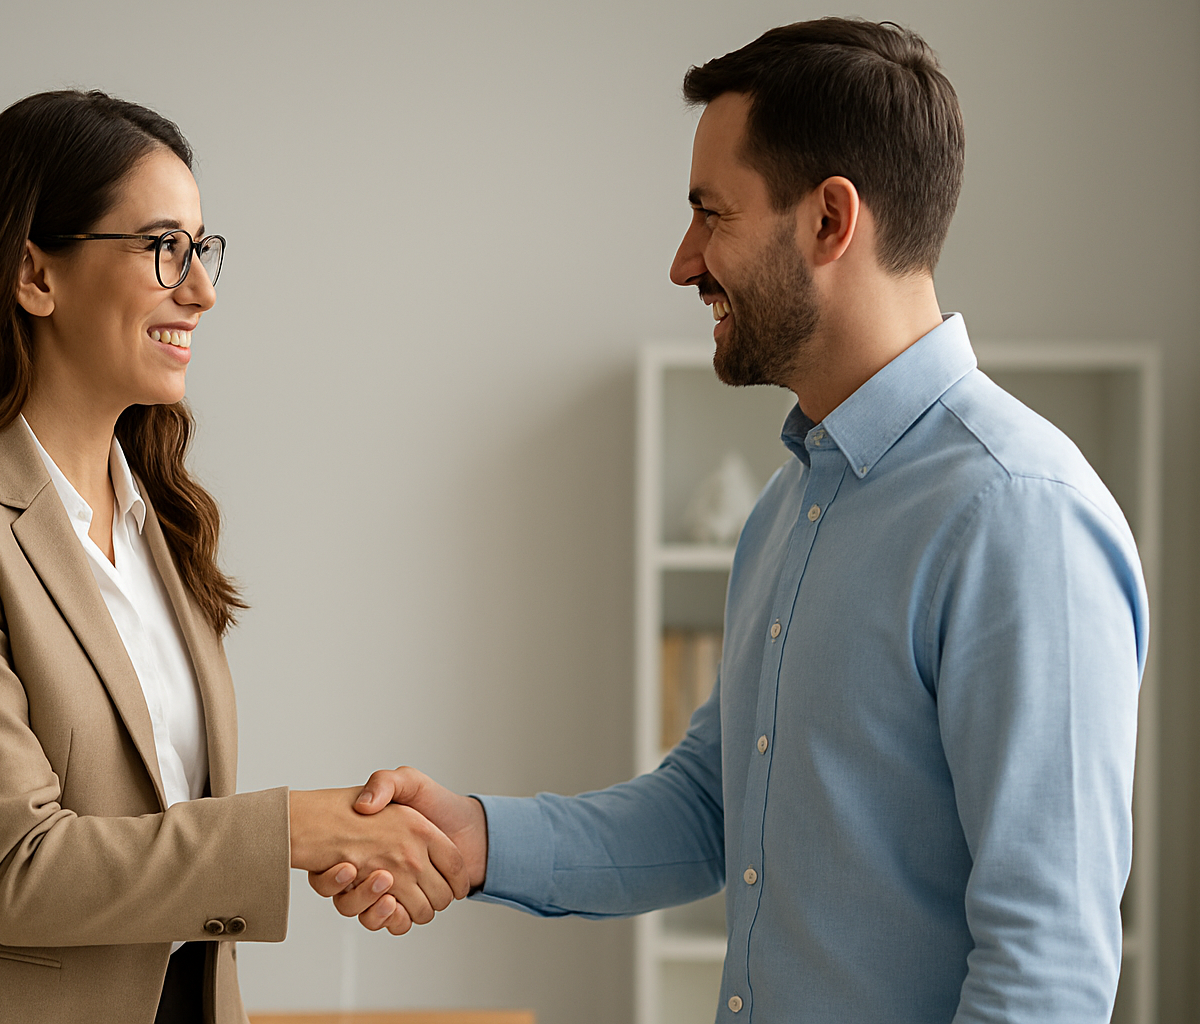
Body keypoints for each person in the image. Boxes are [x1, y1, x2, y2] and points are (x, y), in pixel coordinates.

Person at [316, 17, 1147, 1024]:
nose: (682, 261)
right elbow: (712, 809)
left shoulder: (1020, 516)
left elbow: (1046, 967)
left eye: (713, 213)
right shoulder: (790, 506)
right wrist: (473, 838)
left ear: (830, 221)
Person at [0, 90, 466, 1024]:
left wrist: (344, 842)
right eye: (162, 248)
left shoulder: (159, 515)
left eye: (202, 250)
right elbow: (18, 868)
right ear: (35, 275)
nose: (198, 289)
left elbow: (168, 837)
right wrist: (295, 830)